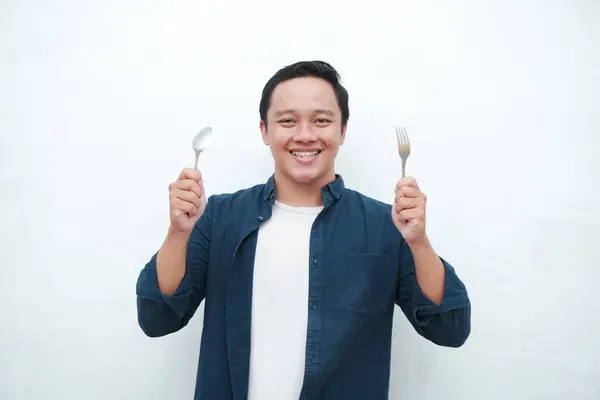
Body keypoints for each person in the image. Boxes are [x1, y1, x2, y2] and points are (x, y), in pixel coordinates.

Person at [135, 60, 471, 400]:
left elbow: (450, 328)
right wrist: (179, 233)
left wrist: (419, 242)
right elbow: (157, 318)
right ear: (265, 131)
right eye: (287, 121)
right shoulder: (220, 217)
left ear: (342, 131)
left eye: (321, 120)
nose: (305, 135)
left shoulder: (386, 226)